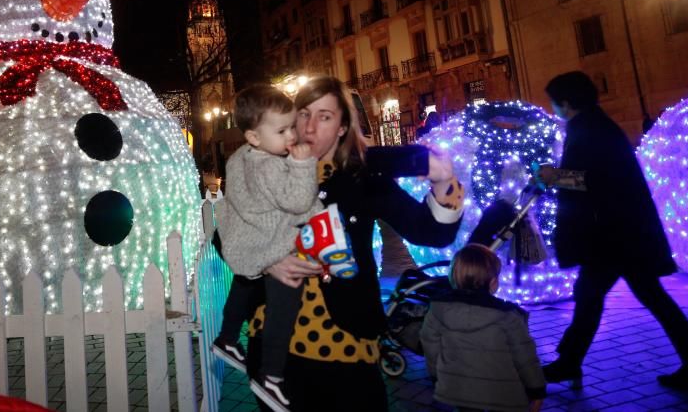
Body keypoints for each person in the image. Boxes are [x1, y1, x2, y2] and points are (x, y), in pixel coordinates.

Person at [245, 76, 464, 411]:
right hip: (276, 350)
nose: (311, 126)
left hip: (346, 340)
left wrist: (444, 182)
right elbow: (227, 236)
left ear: (343, 127)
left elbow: (432, 233)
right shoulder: (268, 169)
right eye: (304, 113)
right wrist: (267, 258)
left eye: (325, 116)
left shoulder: (363, 178)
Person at [535, 71, 688, 389]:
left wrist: (551, 176)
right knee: (634, 296)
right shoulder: (594, 126)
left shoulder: (590, 130)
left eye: (554, 101)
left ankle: (569, 362)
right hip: (621, 232)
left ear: (566, 102)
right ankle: (570, 361)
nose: (553, 107)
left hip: (612, 234)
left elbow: (590, 180)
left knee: (594, 296)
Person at [213, 85, 322, 409]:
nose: (291, 136)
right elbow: (298, 200)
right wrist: (303, 166)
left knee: (245, 281)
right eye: (282, 130)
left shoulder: (241, 158)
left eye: (292, 127)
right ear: (254, 137)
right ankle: (271, 377)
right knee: (284, 306)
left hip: (248, 239)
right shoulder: (271, 165)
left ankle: (228, 337)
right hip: (273, 243)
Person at [421, 244, 546, 412]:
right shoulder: (508, 315)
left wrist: (437, 376)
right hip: (502, 392)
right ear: (493, 283)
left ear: (454, 277)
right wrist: (536, 390)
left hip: (459, 389)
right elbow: (525, 356)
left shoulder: (438, 308)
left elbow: (430, 345)